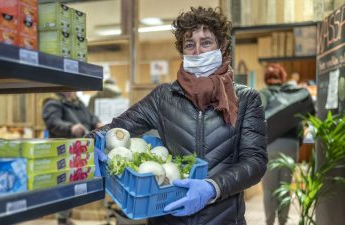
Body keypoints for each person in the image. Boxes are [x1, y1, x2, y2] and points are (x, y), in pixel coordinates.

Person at [87, 6, 267, 225]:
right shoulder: (163, 97)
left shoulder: (246, 99)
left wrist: (213, 187)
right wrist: (90, 143)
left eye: (206, 42)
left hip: (223, 218)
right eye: (190, 44)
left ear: (222, 46)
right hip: (168, 216)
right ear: (182, 51)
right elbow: (118, 128)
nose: (198, 51)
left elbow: (255, 162)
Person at [42, 92, 101, 225]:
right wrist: (71, 128)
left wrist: (97, 122)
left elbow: (90, 117)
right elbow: (53, 122)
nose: (73, 91)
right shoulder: (53, 102)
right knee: (65, 187)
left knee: (74, 187)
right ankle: (62, 219)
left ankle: (65, 218)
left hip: (79, 151)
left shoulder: (78, 103)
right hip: (63, 152)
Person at [259, 64, 301, 225]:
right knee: (285, 187)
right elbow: (299, 124)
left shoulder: (262, 94)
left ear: (266, 79)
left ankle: (269, 222)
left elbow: (256, 121)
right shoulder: (290, 95)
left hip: (270, 145)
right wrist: (297, 143)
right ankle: (283, 222)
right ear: (282, 78)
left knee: (269, 189)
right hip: (291, 144)